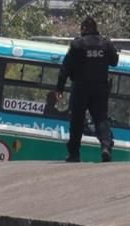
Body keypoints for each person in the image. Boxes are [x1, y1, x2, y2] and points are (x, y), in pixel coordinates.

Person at [56, 17, 119, 163]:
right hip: (100, 88)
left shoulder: (78, 44)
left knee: (77, 121)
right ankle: (106, 147)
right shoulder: (106, 43)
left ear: (84, 28)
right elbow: (114, 62)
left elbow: (66, 67)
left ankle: (74, 154)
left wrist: (59, 88)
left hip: (80, 88)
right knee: (100, 118)